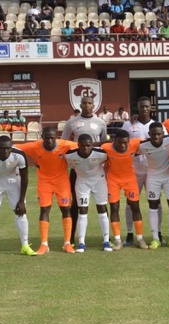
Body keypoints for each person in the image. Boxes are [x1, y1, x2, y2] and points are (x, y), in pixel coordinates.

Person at [15, 126, 78, 254]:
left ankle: (67, 243)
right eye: (47, 138)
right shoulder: (35, 146)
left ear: (56, 137)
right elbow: (16, 147)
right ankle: (44, 244)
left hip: (62, 181)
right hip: (44, 181)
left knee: (65, 208)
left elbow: (83, 145)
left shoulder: (65, 145)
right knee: (44, 209)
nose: (49, 140)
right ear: (42, 137)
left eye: (52, 138)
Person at [0, 136, 37, 259]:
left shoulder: (19, 155)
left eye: (8, 148)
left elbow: (25, 177)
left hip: (13, 181)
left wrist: (22, 200)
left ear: (12, 147)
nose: (5, 151)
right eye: (2, 148)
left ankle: (25, 246)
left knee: (21, 212)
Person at [61, 96, 108, 245]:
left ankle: (107, 238)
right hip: (78, 169)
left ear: (94, 105)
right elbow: (63, 143)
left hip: (96, 168)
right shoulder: (71, 122)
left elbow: (103, 145)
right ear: (80, 105)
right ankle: (73, 237)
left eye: (89, 103)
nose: (87, 105)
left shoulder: (101, 123)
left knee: (102, 203)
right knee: (76, 204)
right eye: (84, 103)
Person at [121, 96, 167, 246]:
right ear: (138, 108)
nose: (145, 109)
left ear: (150, 108)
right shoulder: (128, 125)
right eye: (142, 106)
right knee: (130, 203)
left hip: (153, 169)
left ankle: (158, 233)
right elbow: (122, 145)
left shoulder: (157, 125)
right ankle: (129, 234)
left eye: (147, 106)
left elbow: (165, 144)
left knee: (156, 202)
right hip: (133, 170)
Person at [101, 130, 149, 250]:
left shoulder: (134, 143)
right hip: (113, 180)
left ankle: (140, 239)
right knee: (114, 208)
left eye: (125, 143)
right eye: (120, 143)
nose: (123, 145)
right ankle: (117, 240)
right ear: (114, 141)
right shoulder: (106, 148)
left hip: (130, 180)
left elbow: (151, 141)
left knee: (135, 207)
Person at [65, 135, 113, 252]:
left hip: (99, 182)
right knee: (82, 211)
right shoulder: (70, 155)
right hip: (82, 183)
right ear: (78, 145)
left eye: (88, 145)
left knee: (102, 209)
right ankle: (81, 243)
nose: (85, 148)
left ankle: (106, 241)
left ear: (92, 145)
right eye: (83, 145)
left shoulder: (101, 154)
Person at [138, 122, 169, 249]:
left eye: (159, 134)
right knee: (153, 206)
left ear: (163, 134)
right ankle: (155, 239)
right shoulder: (143, 146)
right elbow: (126, 148)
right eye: (153, 134)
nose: (156, 137)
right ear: (149, 134)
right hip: (153, 178)